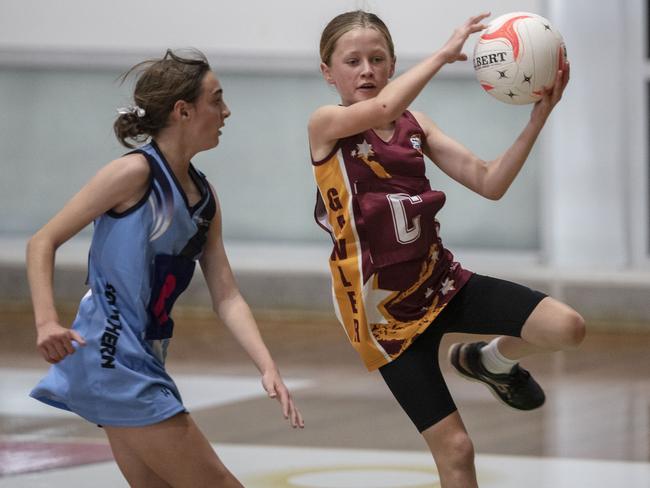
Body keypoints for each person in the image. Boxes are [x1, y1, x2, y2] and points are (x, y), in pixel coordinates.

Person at [308, 10, 583, 488]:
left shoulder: (416, 124)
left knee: (567, 327)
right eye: (352, 61)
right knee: (457, 450)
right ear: (328, 73)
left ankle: (489, 360)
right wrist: (441, 54)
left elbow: (489, 181)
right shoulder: (326, 125)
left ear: (392, 65)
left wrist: (539, 117)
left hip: (441, 283)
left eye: (377, 59)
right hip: (382, 316)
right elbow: (377, 112)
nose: (367, 70)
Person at [27, 48, 303, 488]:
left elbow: (227, 293)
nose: (226, 111)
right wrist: (45, 322)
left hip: (144, 359)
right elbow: (42, 241)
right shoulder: (134, 174)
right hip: (112, 356)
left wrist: (266, 365)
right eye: (217, 99)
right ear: (183, 111)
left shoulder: (205, 196)